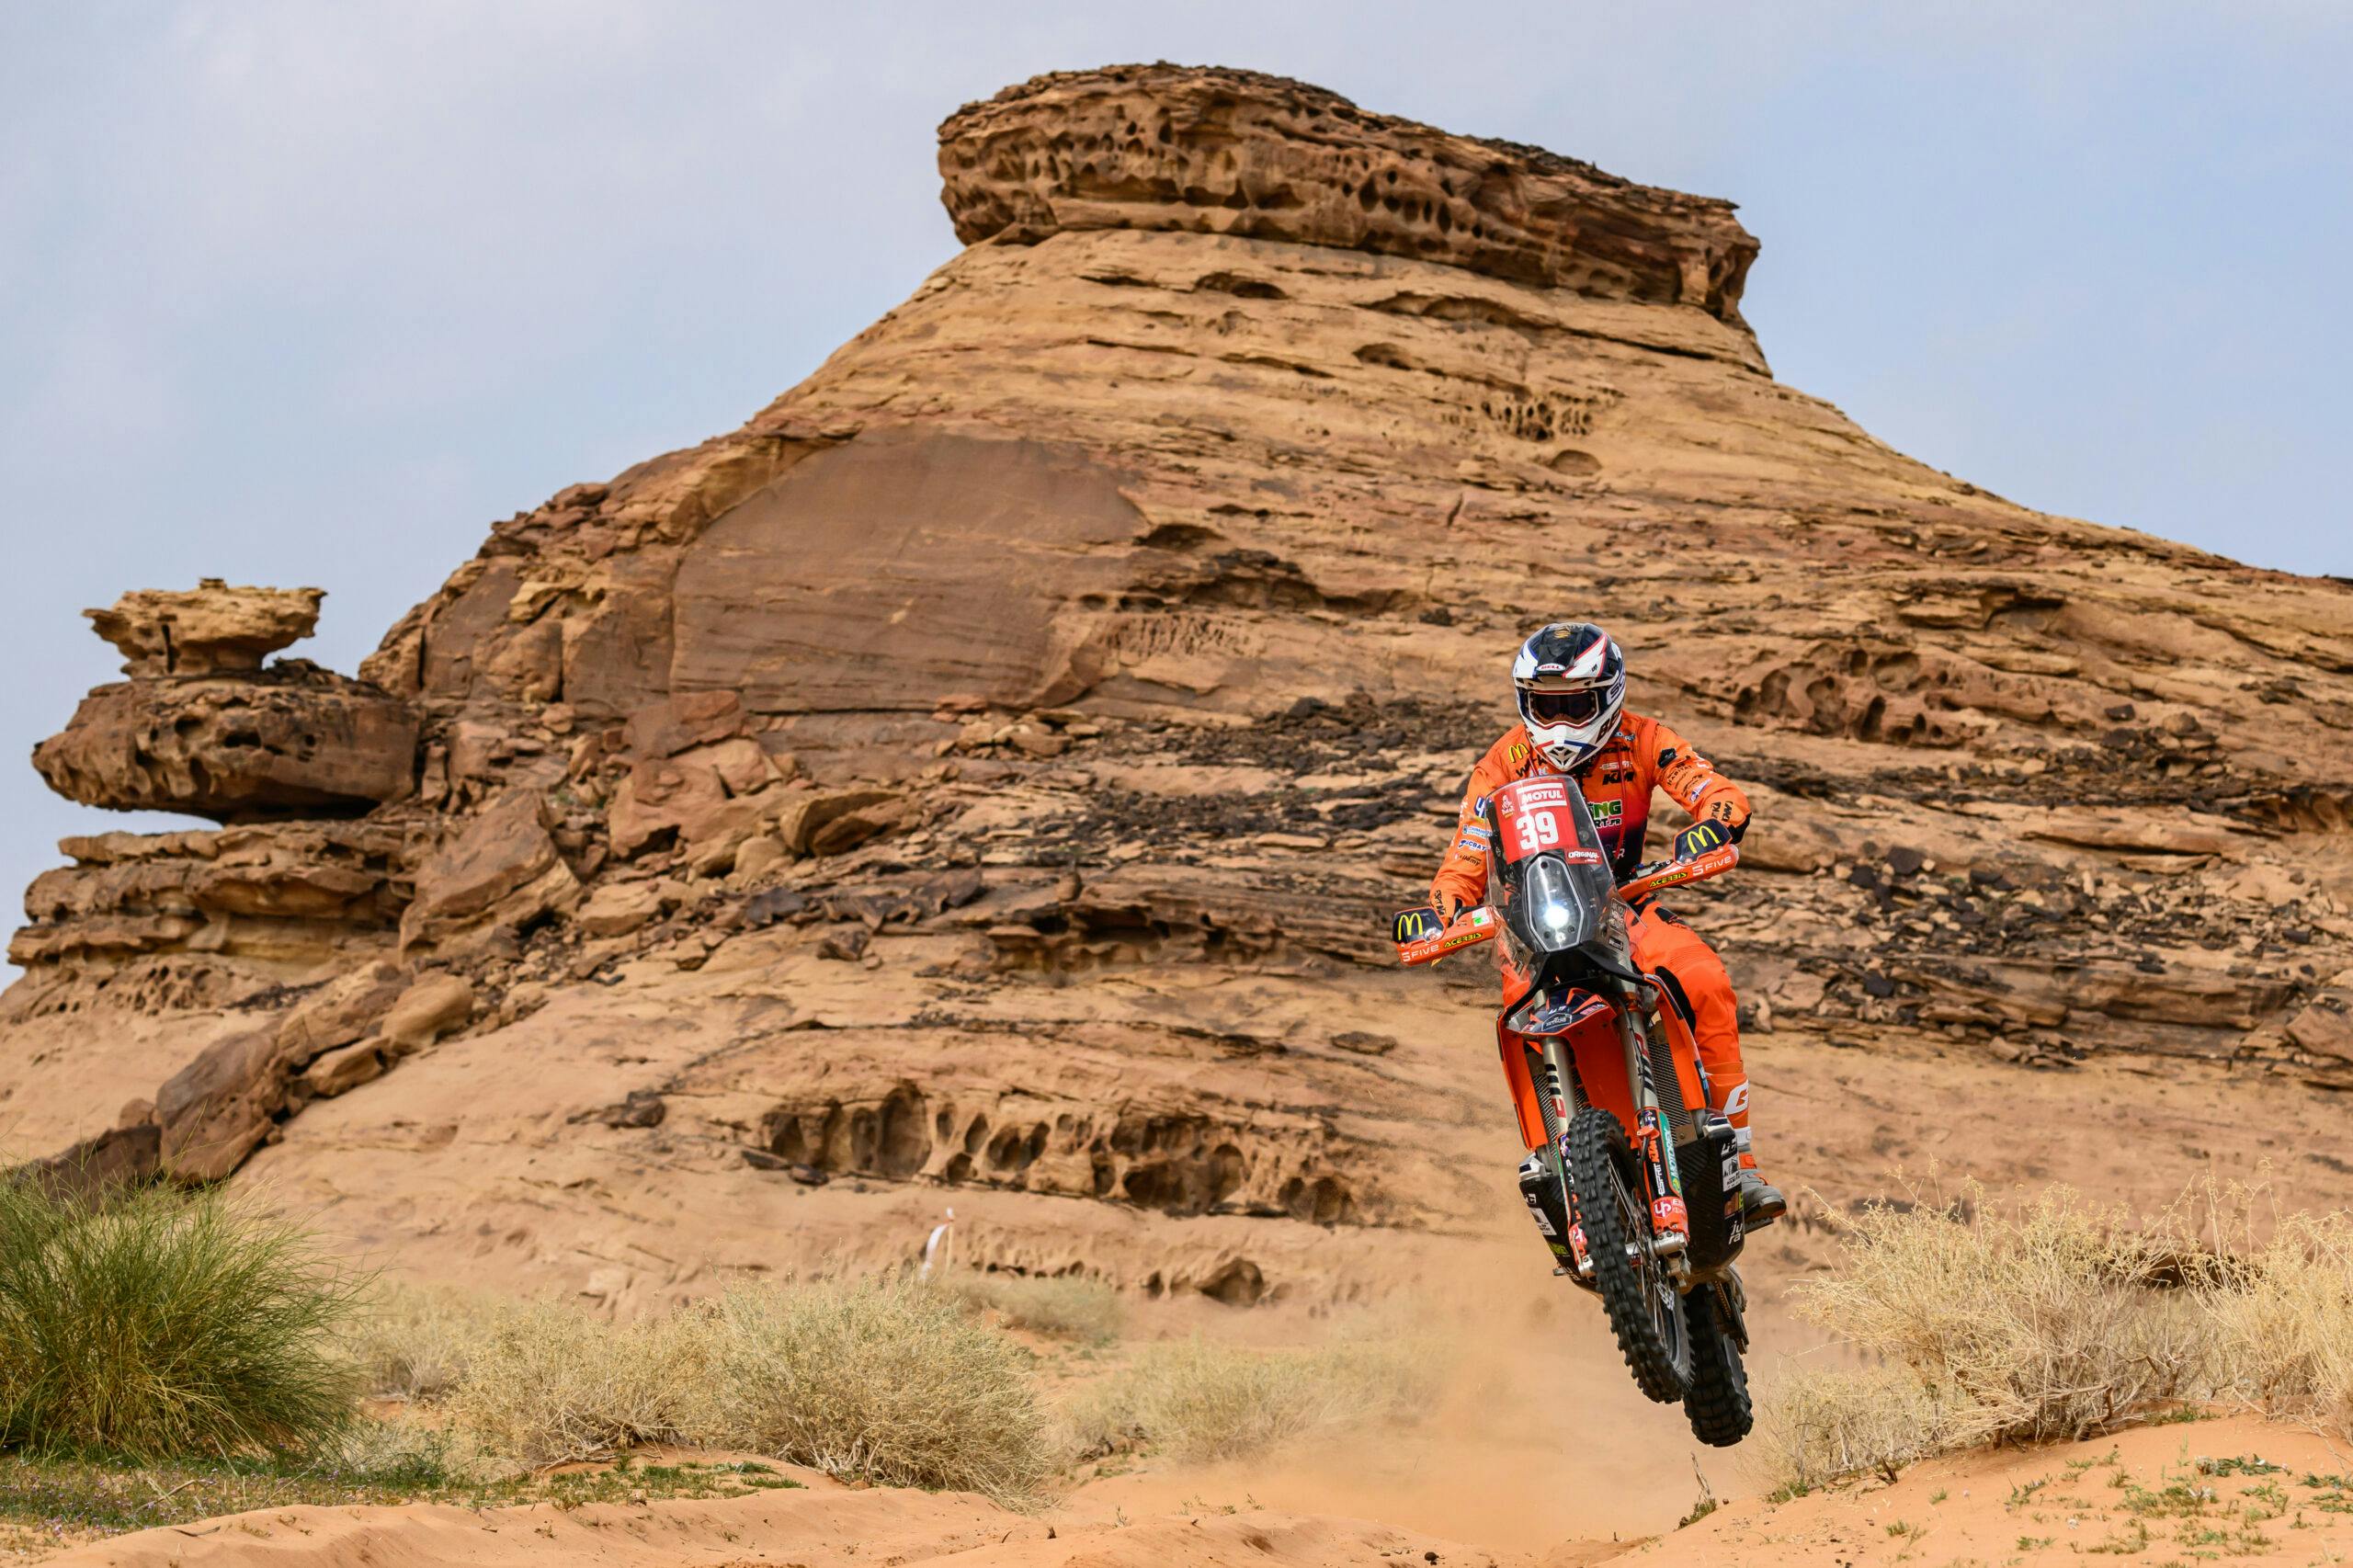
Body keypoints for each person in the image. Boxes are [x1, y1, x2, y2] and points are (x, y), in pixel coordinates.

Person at [1427, 621, 1785, 1229]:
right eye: (1547, 706)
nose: (1561, 722)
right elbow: (1467, 850)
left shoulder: (1645, 739)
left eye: (1576, 705)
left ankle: (1740, 1161)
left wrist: (1715, 822)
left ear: (1609, 694)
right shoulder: (1503, 764)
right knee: (1517, 1013)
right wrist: (1439, 911)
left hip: (1624, 903)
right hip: (1533, 925)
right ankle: (1552, 1168)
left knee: (1702, 979)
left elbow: (1711, 788)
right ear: (1525, 702)